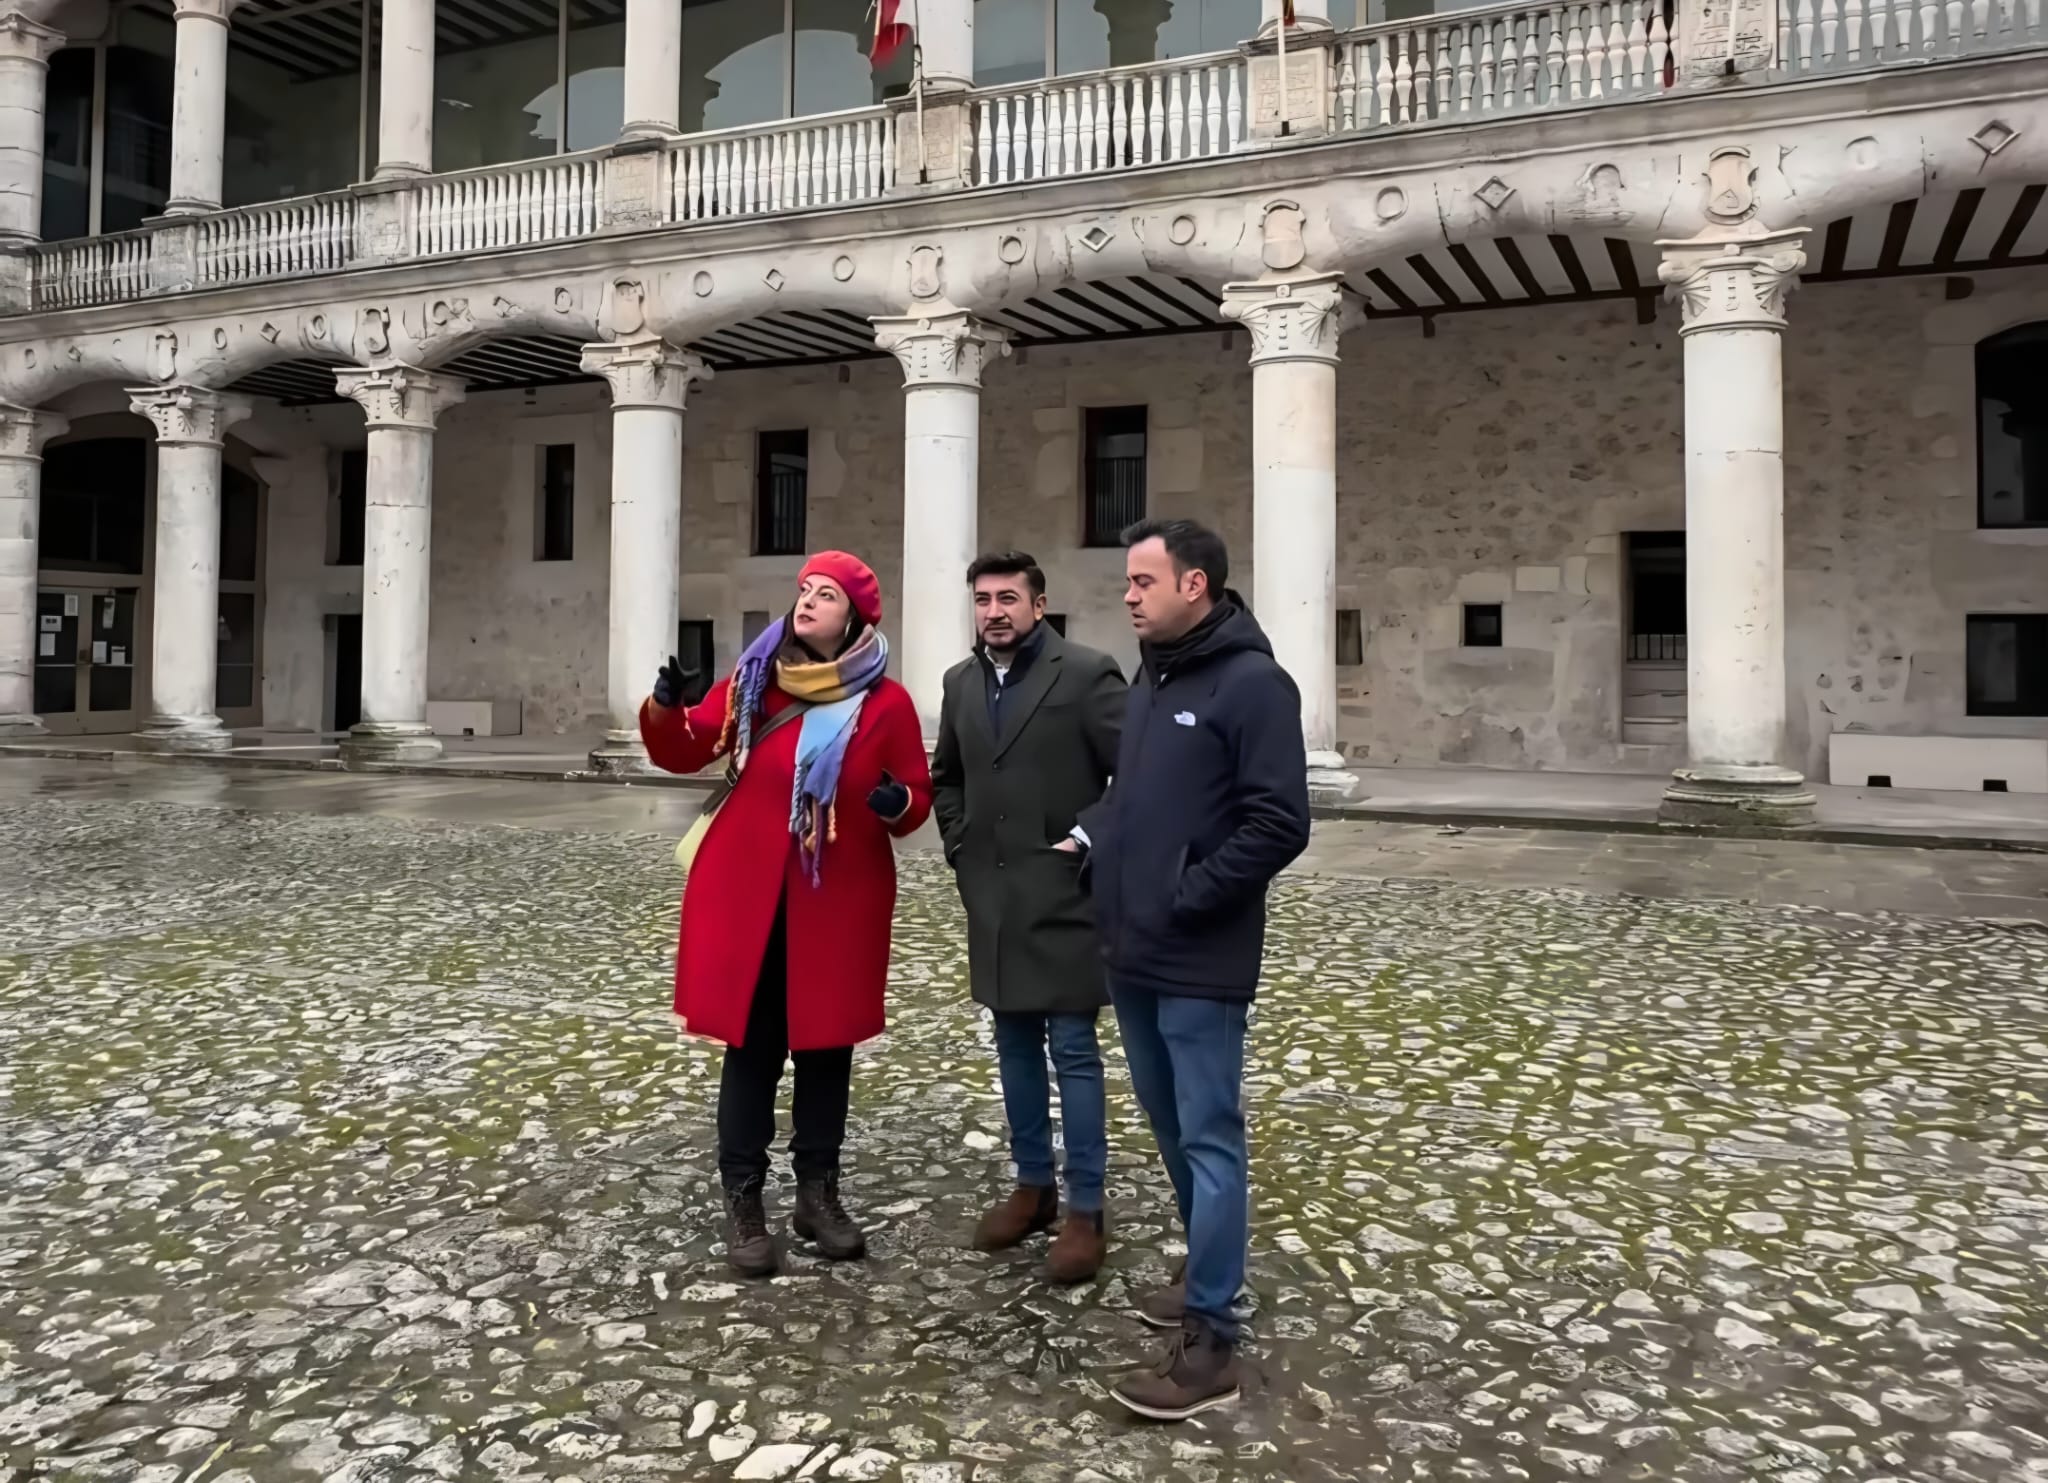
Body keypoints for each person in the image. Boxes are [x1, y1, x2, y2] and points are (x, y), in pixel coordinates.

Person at [1072, 518, 1311, 1421]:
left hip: (1198, 953)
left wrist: (1188, 892)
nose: (1128, 595)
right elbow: (1136, 796)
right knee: (1171, 1128)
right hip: (1131, 947)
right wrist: (1096, 835)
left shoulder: (1254, 685)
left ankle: (1212, 1338)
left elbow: (1278, 820)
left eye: (1143, 581)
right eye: (1129, 581)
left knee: (1210, 1138)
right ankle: (1206, 1269)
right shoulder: (1153, 678)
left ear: (1196, 585)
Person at [641, 551, 932, 1278]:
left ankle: (817, 1195)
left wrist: (899, 804)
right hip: (748, 898)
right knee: (753, 1051)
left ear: (854, 616)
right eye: (804, 589)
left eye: (825, 594)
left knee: (826, 1051)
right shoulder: (754, 681)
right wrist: (666, 706)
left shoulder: (886, 704)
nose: (807, 602)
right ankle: (745, 1205)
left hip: (838, 902)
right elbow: (682, 751)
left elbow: (916, 794)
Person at [931, 552, 1127, 1283]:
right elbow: (946, 774)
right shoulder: (959, 682)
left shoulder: (1086, 673)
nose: (993, 612)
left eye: (1008, 598)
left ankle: (1085, 1208)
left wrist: (1084, 837)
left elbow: (1133, 772)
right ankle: (1033, 1184)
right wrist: (960, 843)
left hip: (1066, 890)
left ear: (1038, 606)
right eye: (982, 599)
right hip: (994, 895)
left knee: (1072, 1048)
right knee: (1011, 1041)